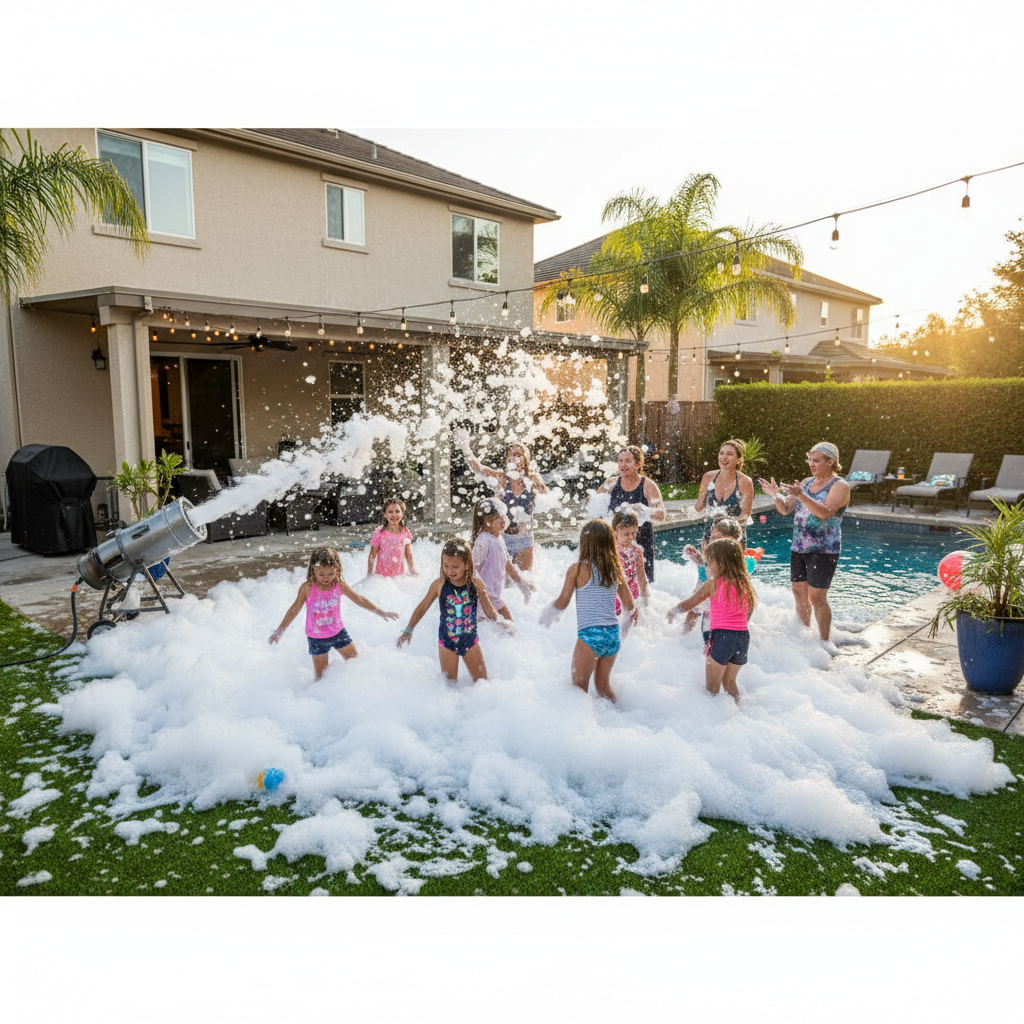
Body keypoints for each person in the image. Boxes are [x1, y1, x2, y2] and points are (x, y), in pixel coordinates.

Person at [758, 441, 850, 655]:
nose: (811, 464)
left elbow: (824, 512)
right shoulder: (807, 483)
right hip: (799, 547)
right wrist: (776, 495)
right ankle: (802, 636)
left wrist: (800, 495)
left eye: (816, 460)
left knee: (817, 597)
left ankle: (825, 641)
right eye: (809, 460)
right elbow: (785, 509)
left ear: (831, 462)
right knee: (799, 593)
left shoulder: (840, 486)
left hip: (824, 550)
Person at [543, 519, 637, 703]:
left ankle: (582, 720)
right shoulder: (615, 569)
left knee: (578, 691)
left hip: (590, 635)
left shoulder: (577, 569)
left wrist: (548, 614)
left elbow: (563, 602)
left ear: (585, 542)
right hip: (612, 635)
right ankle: (621, 715)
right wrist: (633, 612)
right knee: (604, 689)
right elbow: (629, 604)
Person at [270, 546, 399, 680]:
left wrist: (380, 612)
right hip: (316, 638)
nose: (326, 578)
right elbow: (294, 609)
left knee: (356, 664)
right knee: (321, 678)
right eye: (321, 574)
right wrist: (280, 630)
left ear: (337, 569)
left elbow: (359, 599)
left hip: (338, 633)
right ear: (314, 569)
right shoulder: (307, 588)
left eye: (330, 574)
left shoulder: (339, 585)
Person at [396, 537, 501, 682]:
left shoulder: (476, 584)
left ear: (467, 565)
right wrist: (409, 630)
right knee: (449, 686)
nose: (450, 571)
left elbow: (491, 614)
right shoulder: (439, 585)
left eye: (455, 566)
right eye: (446, 565)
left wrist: (484, 596)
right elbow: (422, 607)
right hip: (447, 643)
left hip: (470, 641)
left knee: (482, 682)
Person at [667, 537, 756, 702]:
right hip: (743, 638)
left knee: (711, 690)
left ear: (722, 563)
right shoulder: (745, 584)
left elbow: (691, 603)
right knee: (730, 683)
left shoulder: (713, 584)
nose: (708, 568)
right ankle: (741, 710)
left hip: (722, 638)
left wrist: (674, 610)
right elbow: (749, 611)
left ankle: (712, 716)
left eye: (710, 563)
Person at [455, 428, 548, 572]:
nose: (514, 458)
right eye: (511, 455)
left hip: (525, 539)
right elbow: (477, 467)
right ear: (506, 459)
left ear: (525, 460)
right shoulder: (501, 480)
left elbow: (547, 498)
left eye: (518, 455)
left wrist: (538, 482)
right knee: (501, 581)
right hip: (503, 538)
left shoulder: (532, 479)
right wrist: (465, 446)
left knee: (525, 579)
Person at [597, 445, 666, 583]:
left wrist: (644, 510)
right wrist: (591, 501)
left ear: (638, 464)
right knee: (615, 581)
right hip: (616, 543)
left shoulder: (647, 485)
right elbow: (595, 507)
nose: (623, 465)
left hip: (641, 541)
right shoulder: (611, 484)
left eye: (628, 461)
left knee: (643, 583)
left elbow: (661, 515)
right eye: (620, 461)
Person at [677, 514, 743, 638]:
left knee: (706, 615)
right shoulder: (715, 552)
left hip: (721, 599)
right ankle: (683, 638)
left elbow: (716, 578)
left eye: (716, 537)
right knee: (693, 612)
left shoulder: (729, 557)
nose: (711, 540)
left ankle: (707, 641)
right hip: (711, 590)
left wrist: (702, 560)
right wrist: (699, 560)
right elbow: (707, 574)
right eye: (711, 536)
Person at [470, 497, 534, 623]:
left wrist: (523, 586)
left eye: (504, 516)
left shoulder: (498, 538)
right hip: (485, 598)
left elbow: (508, 566)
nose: (503, 520)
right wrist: (479, 592)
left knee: (488, 627)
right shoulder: (484, 541)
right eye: (498, 518)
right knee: (510, 627)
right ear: (487, 521)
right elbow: (470, 567)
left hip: (491, 596)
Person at [694, 439, 755, 547]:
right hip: (711, 536)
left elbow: (745, 515)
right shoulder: (708, 477)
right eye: (721, 453)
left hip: (734, 539)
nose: (724, 457)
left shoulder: (745, 482)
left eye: (729, 454)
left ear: (738, 460)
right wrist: (688, 511)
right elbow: (699, 507)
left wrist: (724, 529)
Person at [366, 497, 417, 577]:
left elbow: (408, 554)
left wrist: (412, 570)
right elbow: (372, 555)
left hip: (399, 576)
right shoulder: (380, 532)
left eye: (397, 511)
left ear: (402, 513)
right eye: (390, 512)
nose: (394, 515)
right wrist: (369, 574)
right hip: (381, 577)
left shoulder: (405, 532)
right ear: (385, 514)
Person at [611, 508, 648, 615]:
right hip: (615, 594)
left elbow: (641, 576)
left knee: (631, 616)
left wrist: (645, 599)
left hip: (632, 592)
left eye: (634, 533)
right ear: (616, 531)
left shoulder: (636, 551)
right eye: (626, 534)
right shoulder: (610, 550)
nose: (630, 538)